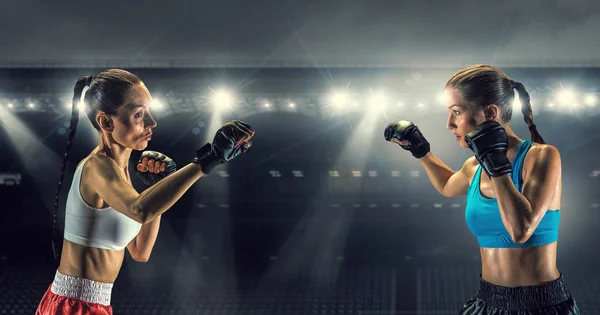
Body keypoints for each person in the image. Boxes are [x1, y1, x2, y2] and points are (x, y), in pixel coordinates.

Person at [35, 69, 255, 314]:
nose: (152, 123)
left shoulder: (121, 175)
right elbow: (140, 210)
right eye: (139, 114)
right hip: (73, 305)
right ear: (106, 122)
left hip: (94, 304)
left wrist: (154, 187)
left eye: (149, 112)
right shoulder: (97, 166)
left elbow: (141, 252)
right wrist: (207, 160)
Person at [384, 64, 580, 314]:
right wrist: (421, 150)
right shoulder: (473, 166)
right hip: (487, 301)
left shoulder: (542, 156)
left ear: (490, 112)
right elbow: (446, 185)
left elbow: (520, 230)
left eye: (456, 112)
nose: (449, 124)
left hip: (541, 305)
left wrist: (495, 162)